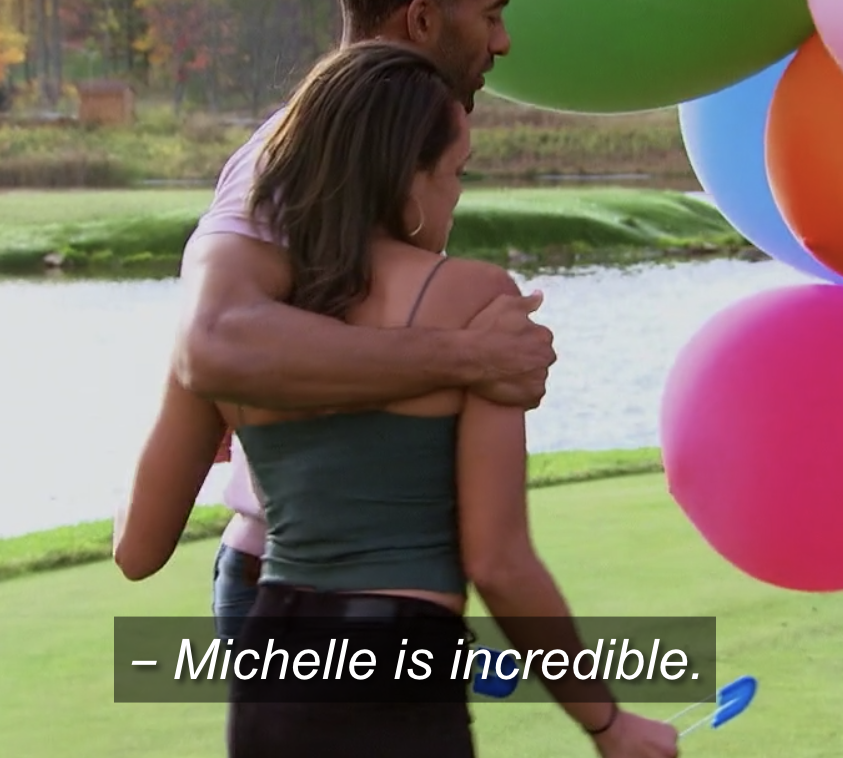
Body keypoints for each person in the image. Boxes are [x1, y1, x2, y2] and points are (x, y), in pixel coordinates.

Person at [114, 41, 681, 758]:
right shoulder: (476, 303)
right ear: (407, 181)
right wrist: (607, 722)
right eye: (455, 173)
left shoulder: (236, 325)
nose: (455, 196)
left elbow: (136, 547)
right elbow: (500, 562)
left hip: (271, 662)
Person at [172, 0, 557, 644]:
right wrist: (473, 355)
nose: (502, 41)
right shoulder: (277, 167)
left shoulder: (388, 160)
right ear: (420, 20)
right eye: (491, 13)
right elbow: (211, 342)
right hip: (281, 575)